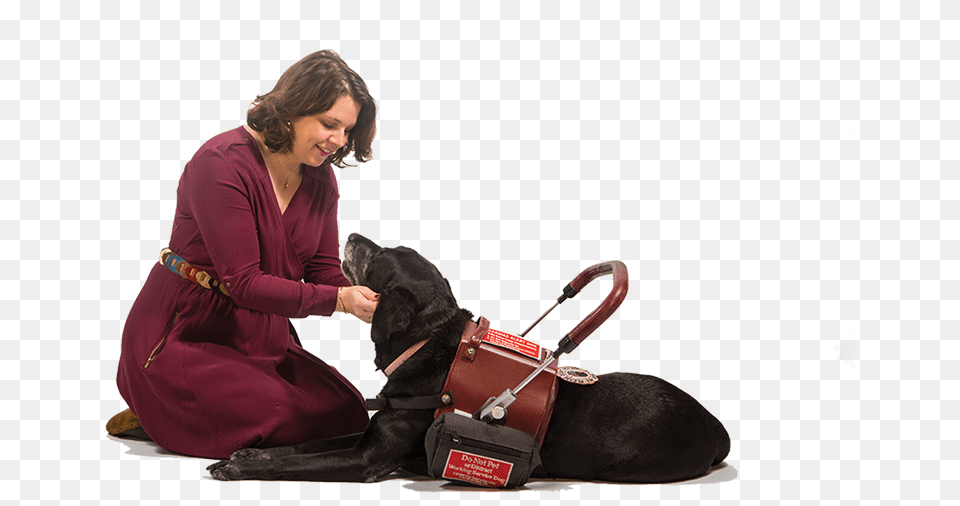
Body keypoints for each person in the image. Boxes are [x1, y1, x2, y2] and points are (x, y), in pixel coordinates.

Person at [107, 50, 380, 459]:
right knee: (281, 411)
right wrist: (340, 301)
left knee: (348, 410)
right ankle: (160, 407)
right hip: (185, 331)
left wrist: (370, 299)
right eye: (329, 124)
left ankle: (184, 413)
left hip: (257, 336)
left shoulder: (321, 180)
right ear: (293, 108)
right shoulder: (221, 165)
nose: (339, 141)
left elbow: (322, 268)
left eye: (347, 130)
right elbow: (246, 283)